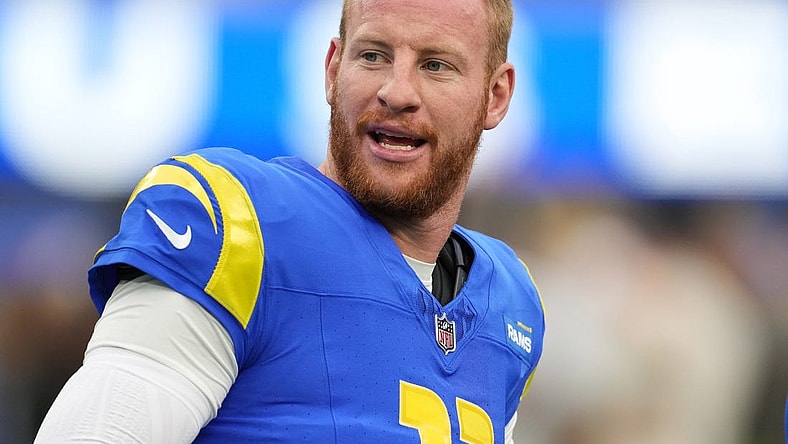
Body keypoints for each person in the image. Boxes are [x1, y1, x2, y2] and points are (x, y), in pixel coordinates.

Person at [34, 0, 545, 442]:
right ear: (332, 67)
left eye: (435, 66)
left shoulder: (510, 302)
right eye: (373, 55)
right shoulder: (239, 223)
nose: (397, 90)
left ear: (496, 96)